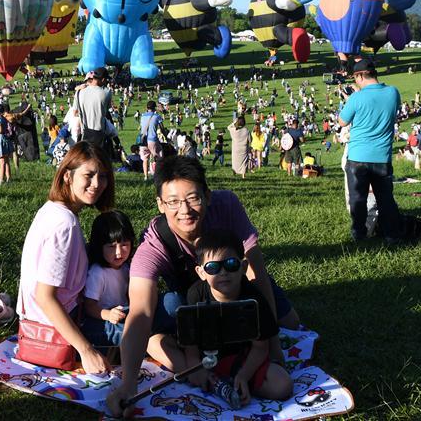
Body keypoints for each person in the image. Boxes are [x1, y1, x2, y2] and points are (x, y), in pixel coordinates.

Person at [105, 156, 299, 417]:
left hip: (237, 285)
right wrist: (128, 385)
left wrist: (273, 349)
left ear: (207, 195)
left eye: (193, 198)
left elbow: (256, 274)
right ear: (160, 205)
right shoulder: (153, 246)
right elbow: (140, 312)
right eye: (173, 201)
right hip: (192, 298)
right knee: (173, 306)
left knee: (291, 322)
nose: (184, 210)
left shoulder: (227, 205)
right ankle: (168, 348)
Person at [16, 142, 114, 375]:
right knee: (145, 322)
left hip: (42, 317)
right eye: (88, 175)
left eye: (103, 176)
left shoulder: (53, 209)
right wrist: (86, 350)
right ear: (68, 176)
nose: (97, 184)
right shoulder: (64, 223)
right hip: (54, 327)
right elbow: (45, 297)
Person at [185, 231, 294, 405]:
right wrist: (195, 367)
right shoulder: (195, 295)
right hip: (208, 358)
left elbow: (260, 348)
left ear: (243, 267)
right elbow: (190, 346)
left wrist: (244, 376)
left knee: (283, 385)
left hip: (244, 356)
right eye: (213, 267)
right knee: (185, 367)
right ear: (201, 272)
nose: (223, 273)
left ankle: (229, 383)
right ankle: (219, 382)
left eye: (230, 264)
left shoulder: (254, 299)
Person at [338, 59, 408, 244]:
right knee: (386, 199)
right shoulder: (393, 92)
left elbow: (342, 122)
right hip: (382, 156)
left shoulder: (356, 98)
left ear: (360, 76)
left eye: (356, 77)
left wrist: (350, 99)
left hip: (357, 157)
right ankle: (392, 235)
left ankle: (359, 234)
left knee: (358, 199)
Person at [82, 210, 135, 350]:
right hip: (100, 320)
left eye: (124, 245)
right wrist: (108, 315)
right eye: (111, 246)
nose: (119, 252)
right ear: (99, 247)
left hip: (122, 313)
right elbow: (89, 306)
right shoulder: (97, 273)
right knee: (130, 333)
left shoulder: (127, 267)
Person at [76, 67, 113, 153]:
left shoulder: (79, 92)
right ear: (103, 79)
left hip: (84, 131)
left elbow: (76, 111)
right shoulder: (106, 92)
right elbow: (106, 110)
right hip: (99, 131)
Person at [139, 100, 164, 180]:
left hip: (143, 140)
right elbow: (162, 129)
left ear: (147, 107)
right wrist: (166, 138)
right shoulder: (157, 116)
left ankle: (146, 177)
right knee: (159, 156)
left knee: (145, 159)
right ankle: (158, 175)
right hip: (152, 139)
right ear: (155, 108)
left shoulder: (142, 116)